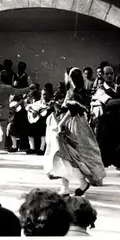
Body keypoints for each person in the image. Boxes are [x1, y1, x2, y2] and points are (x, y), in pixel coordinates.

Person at [44, 67, 106, 196]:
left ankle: (72, 185)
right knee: (69, 155)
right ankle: (69, 186)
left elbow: (71, 111)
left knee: (66, 154)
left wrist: (60, 124)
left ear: (70, 77)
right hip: (81, 124)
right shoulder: (83, 91)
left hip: (72, 125)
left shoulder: (72, 92)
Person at [0, 70, 30, 154]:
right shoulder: (7, 87)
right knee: (2, 130)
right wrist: (29, 88)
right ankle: (0, 148)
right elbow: (19, 92)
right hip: (3, 110)